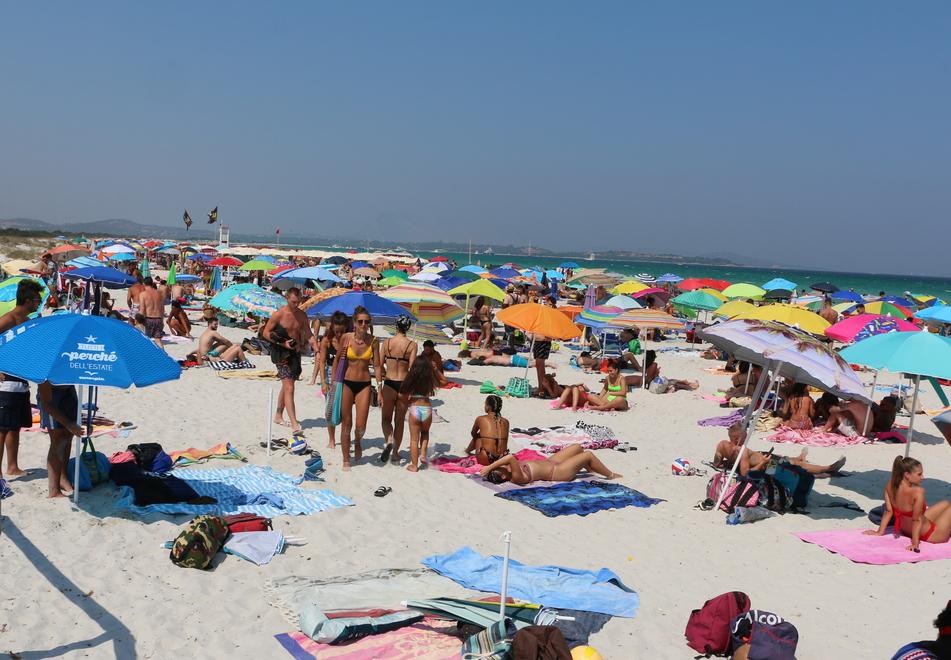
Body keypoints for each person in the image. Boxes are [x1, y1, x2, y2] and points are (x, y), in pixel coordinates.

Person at [0, 279, 43, 481]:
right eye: (37, 299)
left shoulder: (27, 322)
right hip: (5, 382)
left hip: (20, 381)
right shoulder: (7, 320)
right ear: (27, 300)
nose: (39, 303)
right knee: (2, 427)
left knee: (15, 425)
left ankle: (13, 466)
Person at [331, 306, 382, 469]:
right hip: (347, 382)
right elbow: (337, 360)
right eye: (360, 321)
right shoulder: (346, 338)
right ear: (354, 322)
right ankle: (346, 458)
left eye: (366, 322)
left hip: (364, 384)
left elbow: (378, 366)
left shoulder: (374, 341)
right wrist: (332, 382)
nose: (363, 324)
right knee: (347, 423)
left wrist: (380, 388)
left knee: (361, 425)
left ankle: (358, 441)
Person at [263, 287, 319, 436]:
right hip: (280, 351)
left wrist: (316, 346)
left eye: (298, 302)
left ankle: (278, 415)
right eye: (294, 302)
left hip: (295, 352)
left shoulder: (301, 315)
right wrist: (283, 344)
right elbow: (265, 333)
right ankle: (294, 423)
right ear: (287, 298)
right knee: (289, 387)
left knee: (288, 384)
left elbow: (308, 332)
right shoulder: (279, 314)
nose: (296, 304)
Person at [866, 456, 951, 552]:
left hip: (905, 530)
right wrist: (915, 543)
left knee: (945, 503)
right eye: (919, 474)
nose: (923, 477)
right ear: (907, 475)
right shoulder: (917, 491)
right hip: (931, 535)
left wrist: (879, 532)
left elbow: (888, 511)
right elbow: (917, 520)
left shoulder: (890, 485)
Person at [713, 422, 846, 477]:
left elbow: (716, 463)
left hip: (763, 458)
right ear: (737, 439)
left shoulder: (721, 445)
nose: (746, 440)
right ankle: (828, 468)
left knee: (787, 459)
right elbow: (745, 474)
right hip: (767, 466)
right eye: (745, 438)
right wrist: (762, 463)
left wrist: (728, 463)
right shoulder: (742, 452)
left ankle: (799, 457)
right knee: (797, 467)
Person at [479, 443, 621, 485]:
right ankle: (610, 474)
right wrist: (490, 467)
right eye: (500, 469)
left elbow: (505, 458)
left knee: (577, 447)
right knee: (588, 454)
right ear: (503, 477)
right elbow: (510, 457)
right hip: (558, 472)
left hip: (551, 462)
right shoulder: (515, 476)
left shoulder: (509, 470)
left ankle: (590, 467)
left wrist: (491, 466)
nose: (501, 466)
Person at [380, 315, 417, 463]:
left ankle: (389, 439)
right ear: (407, 328)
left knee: (385, 419)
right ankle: (395, 453)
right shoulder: (412, 345)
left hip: (389, 383)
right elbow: (412, 369)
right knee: (399, 421)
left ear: (396, 326)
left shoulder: (387, 342)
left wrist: (383, 374)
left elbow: (379, 363)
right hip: (404, 384)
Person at [37, 381, 82, 498]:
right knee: (58, 439)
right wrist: (67, 423)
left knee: (68, 435)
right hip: (52, 394)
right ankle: (54, 489)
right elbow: (46, 403)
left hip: (69, 389)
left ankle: (63, 477)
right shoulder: (45, 368)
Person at [314, 311, 348, 449]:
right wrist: (323, 382)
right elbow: (321, 362)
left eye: (342, 331)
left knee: (345, 410)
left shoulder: (349, 340)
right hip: (330, 376)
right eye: (337, 331)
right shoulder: (326, 340)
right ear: (332, 327)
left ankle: (344, 438)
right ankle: (332, 439)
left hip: (346, 376)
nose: (339, 334)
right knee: (330, 409)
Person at [399, 354, 437, 472]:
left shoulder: (411, 377)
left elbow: (401, 394)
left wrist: (408, 400)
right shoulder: (429, 378)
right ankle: (424, 454)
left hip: (415, 408)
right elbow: (443, 382)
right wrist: (434, 370)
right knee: (425, 432)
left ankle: (414, 465)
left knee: (414, 439)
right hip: (427, 408)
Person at [466, 395, 510, 465]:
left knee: (479, 436)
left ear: (488, 407)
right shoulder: (506, 422)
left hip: (486, 458)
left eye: (485, 404)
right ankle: (467, 450)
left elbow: (473, 434)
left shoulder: (481, 419)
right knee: (489, 435)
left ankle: (467, 451)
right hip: (502, 459)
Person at [139, 278, 166, 348]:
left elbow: (142, 309)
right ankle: (162, 356)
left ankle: (148, 357)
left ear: (144, 284)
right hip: (158, 318)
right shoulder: (159, 294)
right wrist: (162, 320)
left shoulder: (143, 294)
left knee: (146, 340)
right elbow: (162, 309)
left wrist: (140, 322)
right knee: (158, 340)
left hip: (148, 319)